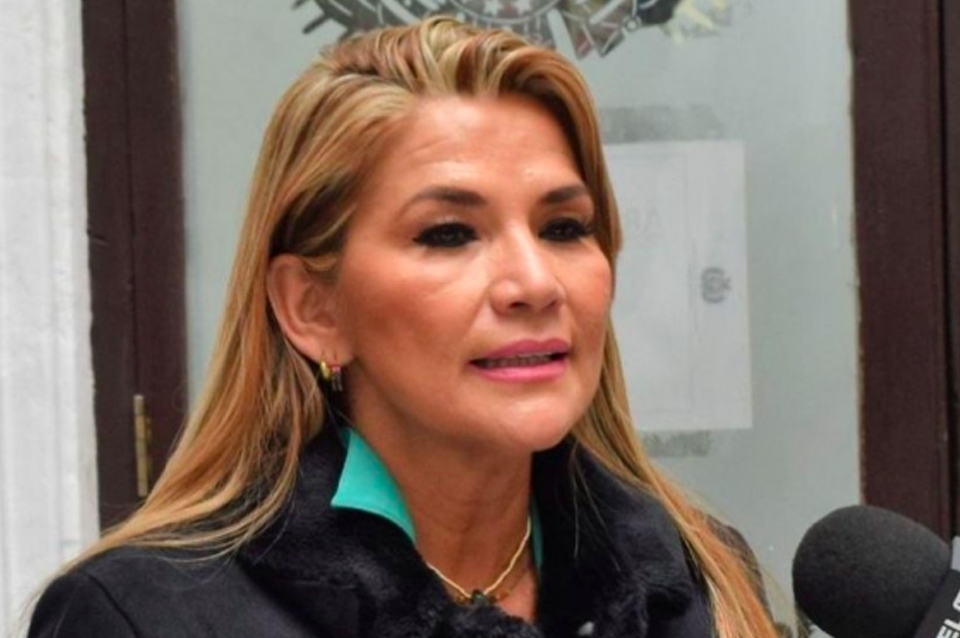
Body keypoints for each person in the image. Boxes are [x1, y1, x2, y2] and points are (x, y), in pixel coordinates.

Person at [28, 16, 777, 638]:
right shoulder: (143, 616)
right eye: (449, 234)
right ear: (313, 309)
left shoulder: (697, 578)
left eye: (564, 227)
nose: (535, 283)